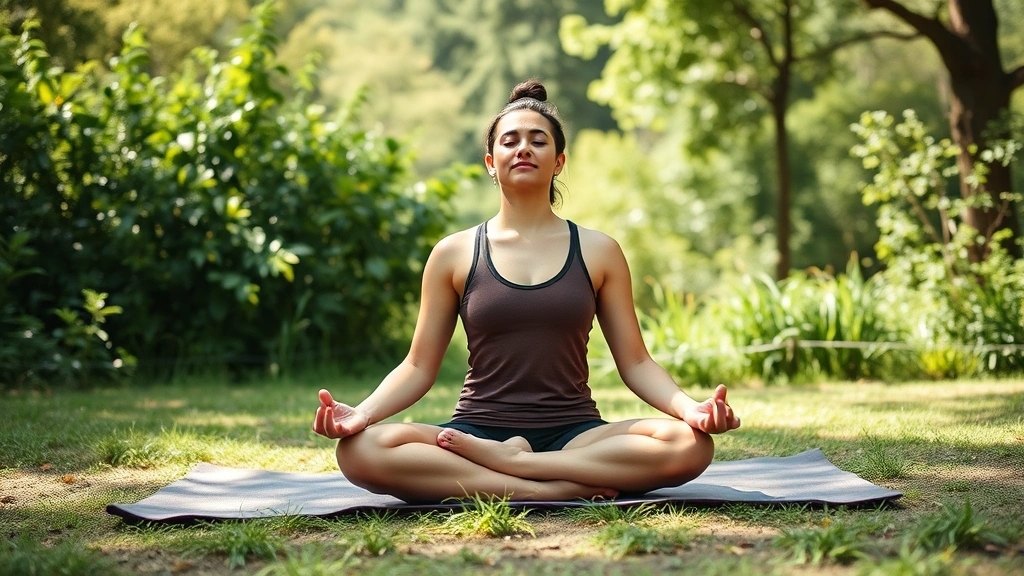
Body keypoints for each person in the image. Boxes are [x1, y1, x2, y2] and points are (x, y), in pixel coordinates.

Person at [312, 79, 740, 503]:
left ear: (558, 161)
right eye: (510, 141)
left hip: (575, 435)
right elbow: (419, 365)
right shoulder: (454, 253)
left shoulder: (599, 251)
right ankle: (546, 488)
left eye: (538, 141)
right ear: (490, 161)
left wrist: (690, 409)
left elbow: (636, 362)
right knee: (359, 450)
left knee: (691, 444)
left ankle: (518, 467)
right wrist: (362, 413)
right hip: (474, 432)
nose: (523, 149)